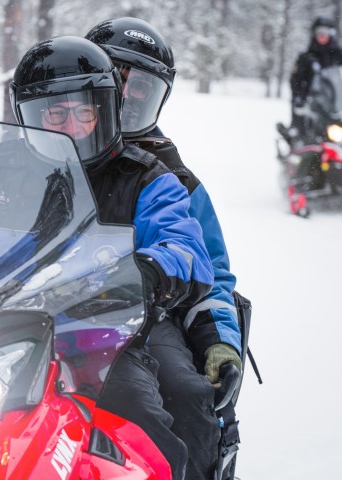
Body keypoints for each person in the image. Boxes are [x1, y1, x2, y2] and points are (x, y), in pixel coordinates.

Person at [10, 35, 215, 479]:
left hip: (109, 325)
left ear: (103, 111)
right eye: (54, 113)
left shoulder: (145, 176)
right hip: (4, 323)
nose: (70, 126)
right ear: (28, 115)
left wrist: (150, 271)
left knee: (154, 407)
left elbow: (187, 247)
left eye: (83, 112)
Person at [85, 17, 243, 480]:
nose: (130, 94)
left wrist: (219, 342)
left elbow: (210, 271)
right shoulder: (48, 147)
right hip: (44, 304)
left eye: (145, 87)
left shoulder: (174, 177)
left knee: (182, 393)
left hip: (148, 313)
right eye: (121, 77)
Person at [289, 16, 342, 140]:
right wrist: (300, 97)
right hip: (313, 103)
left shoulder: (341, 56)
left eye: (326, 32)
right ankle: (298, 137)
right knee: (307, 129)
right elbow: (295, 81)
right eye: (319, 32)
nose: (322, 35)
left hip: (337, 104)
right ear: (314, 34)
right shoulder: (306, 58)